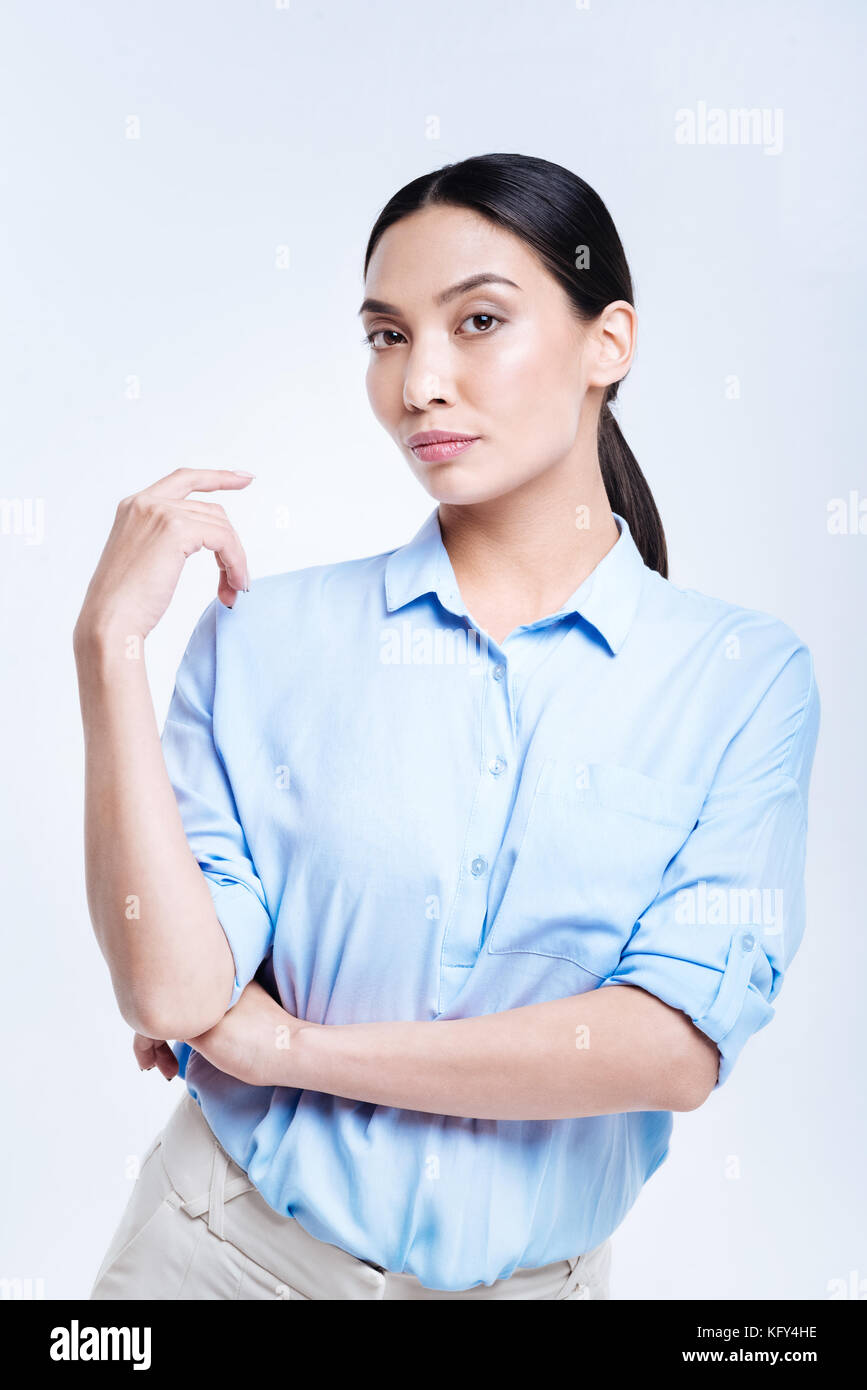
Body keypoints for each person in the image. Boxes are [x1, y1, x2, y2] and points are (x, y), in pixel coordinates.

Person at [74, 153, 820, 1300]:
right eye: (387, 335)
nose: (419, 382)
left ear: (609, 342)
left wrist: (294, 1050)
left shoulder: (740, 679)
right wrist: (109, 646)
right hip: (216, 1258)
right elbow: (173, 994)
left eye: (478, 320)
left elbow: (670, 1048)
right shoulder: (261, 635)